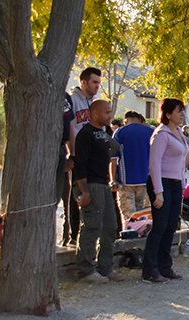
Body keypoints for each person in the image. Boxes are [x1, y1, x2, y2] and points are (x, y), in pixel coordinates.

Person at [73, 99, 124, 284]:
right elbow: (80, 164)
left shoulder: (104, 133)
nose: (110, 116)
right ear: (94, 113)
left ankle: (105, 267)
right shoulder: (85, 134)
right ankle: (85, 270)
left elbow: (114, 151)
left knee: (110, 227)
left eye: (110, 112)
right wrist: (84, 191)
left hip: (103, 184)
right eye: (106, 113)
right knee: (92, 226)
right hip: (91, 184)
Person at [143, 98, 189, 284]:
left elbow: (180, 162)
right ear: (168, 114)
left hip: (175, 183)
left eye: (182, 111)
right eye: (179, 111)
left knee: (171, 226)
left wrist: (182, 186)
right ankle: (150, 270)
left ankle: (164, 266)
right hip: (160, 183)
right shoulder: (161, 134)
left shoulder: (178, 132)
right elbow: (154, 164)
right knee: (160, 226)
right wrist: (158, 191)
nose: (182, 114)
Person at [66, 67, 102, 248]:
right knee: (78, 194)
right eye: (94, 82)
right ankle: (73, 236)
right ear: (83, 82)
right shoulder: (72, 100)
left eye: (99, 83)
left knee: (93, 194)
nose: (97, 86)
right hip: (79, 155)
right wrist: (71, 153)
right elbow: (70, 128)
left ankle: (91, 236)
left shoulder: (94, 103)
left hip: (94, 156)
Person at [110, 110, 154, 223]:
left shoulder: (119, 132)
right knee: (143, 215)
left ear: (125, 121)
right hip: (147, 180)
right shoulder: (151, 132)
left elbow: (113, 159)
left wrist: (113, 180)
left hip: (126, 181)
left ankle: (130, 236)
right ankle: (142, 238)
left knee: (129, 217)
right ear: (140, 120)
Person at [58, 92, 74, 246]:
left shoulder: (66, 98)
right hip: (45, 147)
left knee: (64, 197)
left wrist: (72, 154)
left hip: (62, 149)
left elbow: (70, 126)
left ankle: (66, 236)